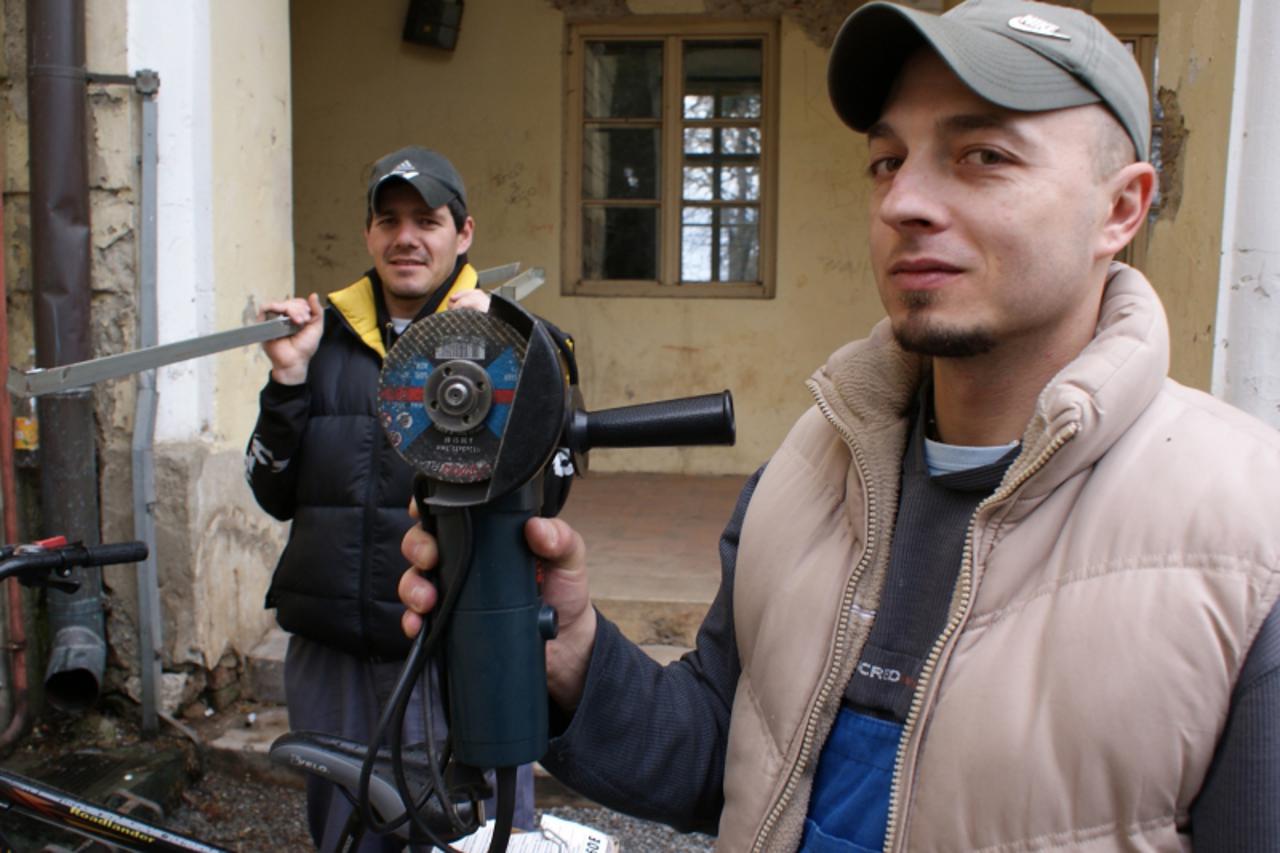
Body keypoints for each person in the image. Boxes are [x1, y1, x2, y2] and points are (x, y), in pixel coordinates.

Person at [400, 1, 1280, 850]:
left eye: (982, 155)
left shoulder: (1246, 544)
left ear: (1122, 210)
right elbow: (727, 761)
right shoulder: (811, 471)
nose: (906, 202)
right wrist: (576, 655)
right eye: (888, 161)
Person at [246, 145, 536, 851]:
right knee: (347, 836)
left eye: (427, 220)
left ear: (462, 234)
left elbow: (539, 480)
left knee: (470, 835)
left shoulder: (501, 336)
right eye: (388, 220)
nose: (406, 237)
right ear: (369, 233)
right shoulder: (325, 341)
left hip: (452, 647)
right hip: (333, 646)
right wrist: (289, 381)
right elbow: (272, 490)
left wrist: (516, 345)